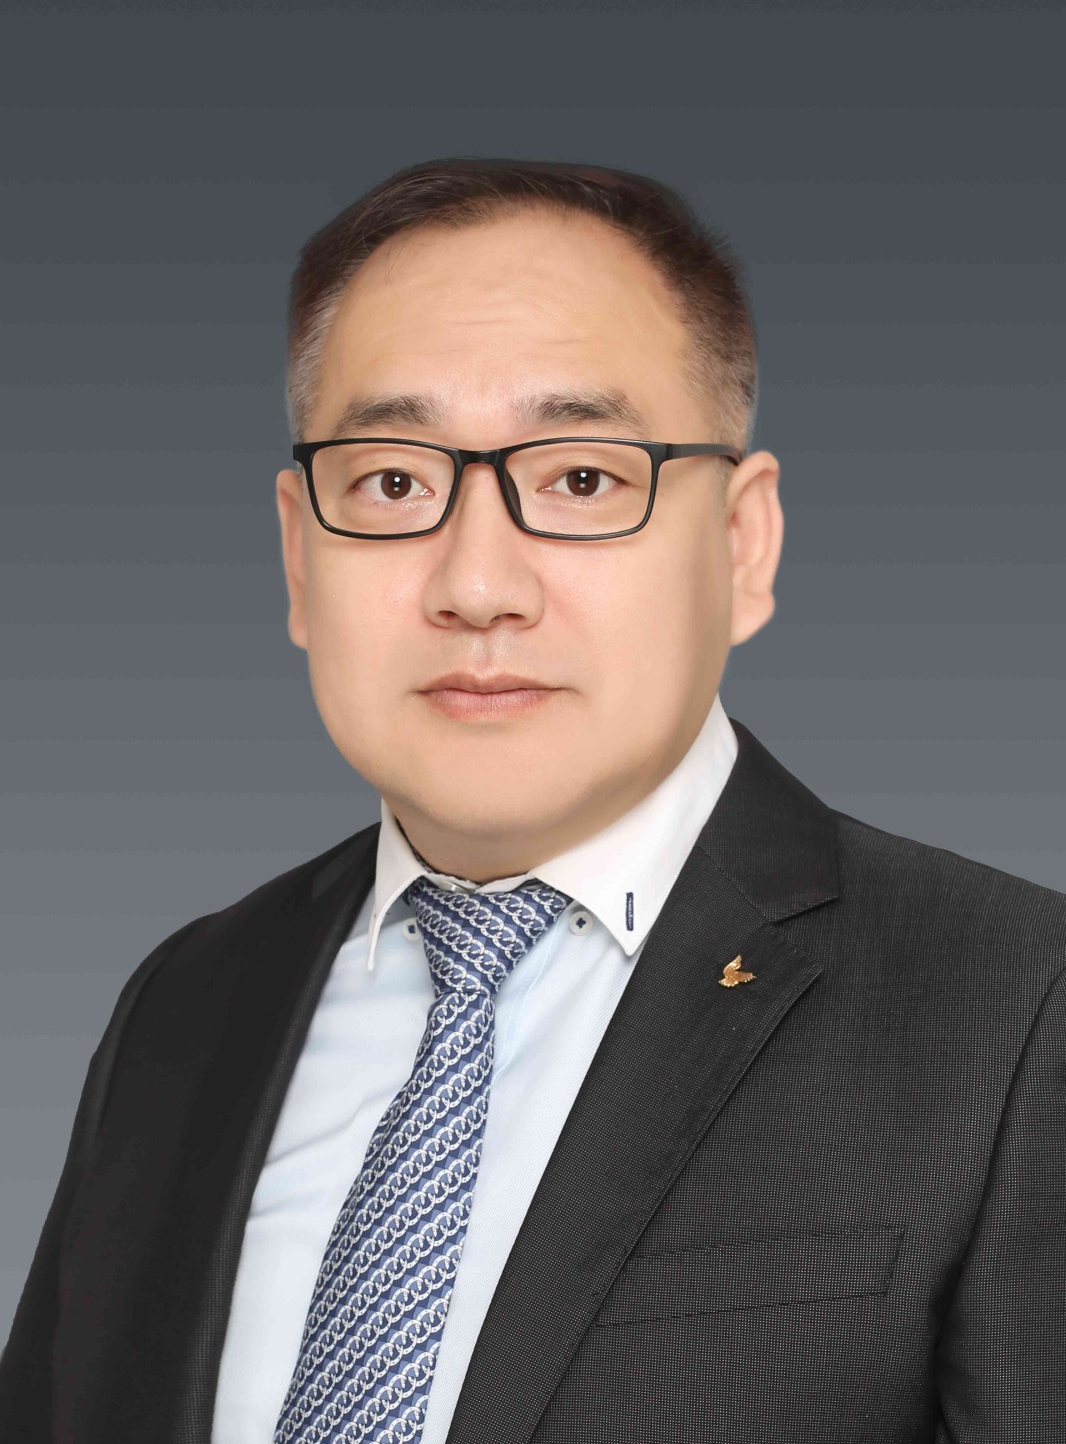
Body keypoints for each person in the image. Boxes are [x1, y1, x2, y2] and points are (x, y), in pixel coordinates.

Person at [1, 157, 1063, 1444]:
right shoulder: (185, 1004)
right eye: (394, 482)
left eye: (580, 480)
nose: (477, 586)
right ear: (297, 554)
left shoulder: (1015, 1008)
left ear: (742, 544)